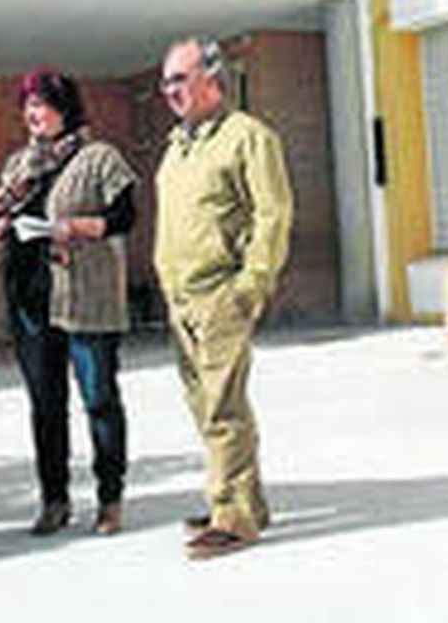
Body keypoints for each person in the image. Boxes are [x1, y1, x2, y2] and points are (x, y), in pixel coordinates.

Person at [0, 68, 138, 537]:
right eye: (27, 106)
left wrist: (75, 227)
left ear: (65, 107)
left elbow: (124, 216)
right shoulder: (20, 163)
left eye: (41, 104)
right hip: (29, 300)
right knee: (45, 405)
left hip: (86, 298)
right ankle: (54, 500)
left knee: (99, 398)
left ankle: (109, 498)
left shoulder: (100, 157)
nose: (32, 114)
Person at [153, 36, 293, 561]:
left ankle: (232, 517)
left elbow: (272, 214)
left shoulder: (249, 137)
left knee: (222, 407)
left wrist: (251, 285)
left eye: (178, 79)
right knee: (204, 404)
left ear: (211, 79)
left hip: (221, 294)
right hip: (180, 298)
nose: (168, 90)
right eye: (165, 81)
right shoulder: (178, 144)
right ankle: (244, 504)